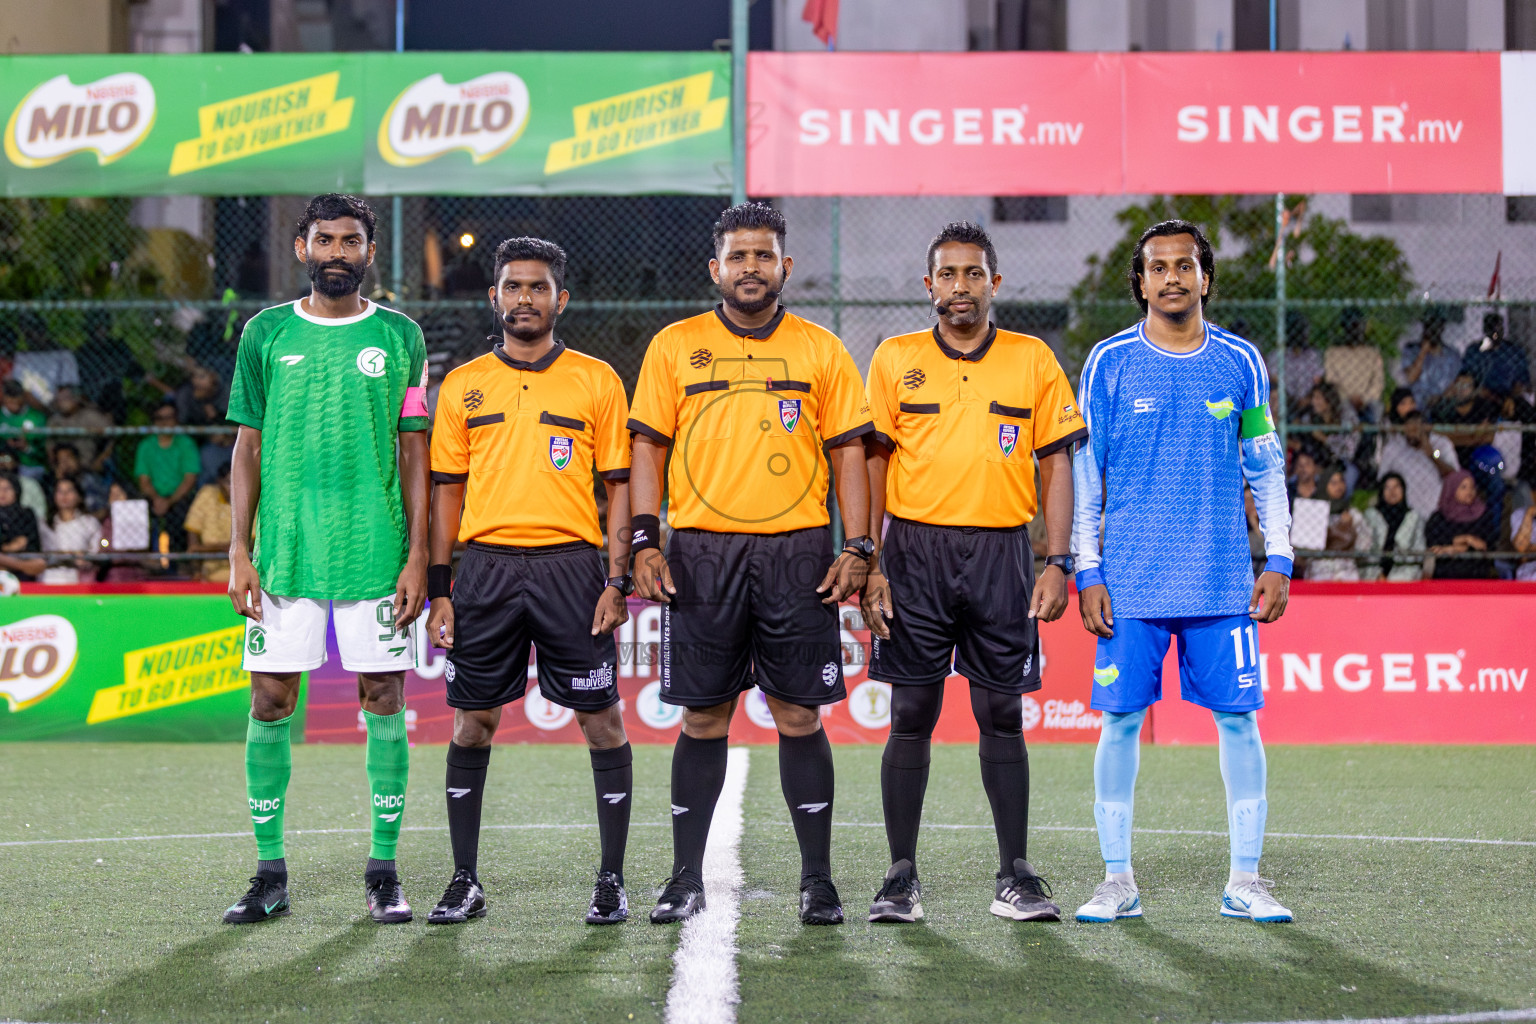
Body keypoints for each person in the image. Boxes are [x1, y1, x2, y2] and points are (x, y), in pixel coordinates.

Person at [627, 202, 872, 926]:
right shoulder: (675, 346)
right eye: (739, 257)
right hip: (701, 553)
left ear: (785, 267)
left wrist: (857, 546)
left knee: (799, 714)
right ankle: (682, 877)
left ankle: (818, 880)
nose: (751, 268)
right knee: (704, 717)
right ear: (716, 268)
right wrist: (645, 539)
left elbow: (849, 453)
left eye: (764, 256)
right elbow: (647, 448)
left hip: (799, 552)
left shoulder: (821, 349)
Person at [1071, 219, 1295, 925]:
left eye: (1185, 265)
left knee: (1240, 722)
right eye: (1157, 267)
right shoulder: (1109, 363)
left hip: (1221, 580)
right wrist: (1087, 568)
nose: (1171, 277)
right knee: (1120, 722)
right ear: (1139, 282)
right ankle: (1116, 880)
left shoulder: (1241, 362)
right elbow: (1085, 477)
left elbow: (1266, 467)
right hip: (1130, 583)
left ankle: (1246, 880)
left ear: (1206, 278)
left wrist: (1281, 556)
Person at [857, 223, 1081, 925]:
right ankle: (900, 877)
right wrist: (868, 558)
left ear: (995, 282)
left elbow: (1056, 465)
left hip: (1002, 556)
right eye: (948, 275)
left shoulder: (1032, 359)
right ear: (929, 287)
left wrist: (1058, 560)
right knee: (912, 711)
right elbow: (871, 464)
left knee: (1002, 712)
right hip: (913, 556)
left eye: (973, 274)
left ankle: (1015, 873)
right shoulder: (893, 359)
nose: (961, 286)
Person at [222, 194, 430, 926]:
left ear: (371, 252)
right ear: (303, 249)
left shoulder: (402, 336)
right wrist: (239, 548)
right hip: (283, 552)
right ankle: (269, 872)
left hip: (376, 551)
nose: (337, 251)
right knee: (270, 701)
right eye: (324, 239)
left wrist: (419, 557)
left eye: (351, 240)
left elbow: (415, 450)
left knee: (384, 699)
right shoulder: (267, 332)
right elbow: (246, 445)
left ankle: (383, 870)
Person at [423, 237, 636, 927]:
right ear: (494, 296)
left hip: (572, 571)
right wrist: (440, 589)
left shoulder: (597, 380)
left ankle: (611, 880)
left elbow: (619, 488)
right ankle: (464, 879)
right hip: (483, 570)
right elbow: (445, 495)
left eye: (537, 287)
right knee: (473, 722)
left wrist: (617, 579)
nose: (524, 298)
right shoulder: (461, 385)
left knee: (601, 723)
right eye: (512, 286)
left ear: (559, 299)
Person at [134, 402, 200, 554]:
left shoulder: (186, 444)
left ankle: (181, 560)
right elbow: (144, 481)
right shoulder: (146, 446)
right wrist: (157, 499)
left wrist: (169, 502)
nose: (164, 422)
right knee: (138, 508)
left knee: (182, 514)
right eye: (159, 418)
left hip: (179, 497)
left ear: (176, 420)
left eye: (169, 417)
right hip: (153, 497)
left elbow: (189, 480)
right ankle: (145, 559)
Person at [1376, 411, 1458, 520]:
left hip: (1436, 508)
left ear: (1425, 428)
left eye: (1416, 429)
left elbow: (1454, 477)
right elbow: (1382, 480)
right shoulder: (1394, 448)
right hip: (1404, 511)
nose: (1412, 434)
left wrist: (1432, 456)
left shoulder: (1440, 445)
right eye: (1409, 429)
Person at [1425, 470, 1498, 579]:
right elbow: (1434, 546)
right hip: (1445, 572)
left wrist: (1450, 548)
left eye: (1472, 487)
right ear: (1452, 489)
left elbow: (1485, 545)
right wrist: (1467, 539)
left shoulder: (1483, 514)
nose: (1469, 491)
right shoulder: (1439, 517)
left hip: (1476, 570)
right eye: (1464, 487)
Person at [1304, 466, 1368, 582]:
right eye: (1333, 483)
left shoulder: (1353, 514)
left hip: (1347, 573)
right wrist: (1341, 530)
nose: (1338, 486)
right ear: (1324, 485)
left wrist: (1351, 530)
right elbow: (1306, 550)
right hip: (1319, 573)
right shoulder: (1313, 512)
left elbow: (1364, 547)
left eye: (1341, 481)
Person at [1362, 473, 1426, 582]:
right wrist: (1377, 574)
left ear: (1404, 490)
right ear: (1381, 491)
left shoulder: (1413, 517)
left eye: (1396, 487)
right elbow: (1365, 549)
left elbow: (1419, 550)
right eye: (1387, 488)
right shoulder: (1371, 515)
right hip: (1373, 567)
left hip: (1405, 569)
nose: (1392, 492)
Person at [1323, 306, 1384, 419]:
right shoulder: (1333, 352)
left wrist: (1364, 399)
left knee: (1374, 413)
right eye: (1352, 326)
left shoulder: (1372, 353)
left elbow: (1378, 382)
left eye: (1359, 326)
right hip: (1342, 401)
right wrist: (1348, 398)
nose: (1356, 330)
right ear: (1345, 328)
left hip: (1368, 401)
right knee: (1346, 414)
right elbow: (1331, 381)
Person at [39, 477, 101, 585]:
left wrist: (86, 557)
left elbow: (101, 545)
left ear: (79, 497)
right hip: (49, 577)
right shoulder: (44, 524)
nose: (64, 495)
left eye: (69, 491)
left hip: (79, 577)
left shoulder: (89, 522)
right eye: (60, 491)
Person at [1432, 373, 1500, 466]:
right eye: (1458, 384)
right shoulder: (1443, 408)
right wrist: (1474, 437)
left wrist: (1458, 436)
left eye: (1466, 385)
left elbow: (1488, 437)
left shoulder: (1483, 406)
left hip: (1479, 455)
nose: (1462, 389)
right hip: (1450, 455)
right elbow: (1443, 438)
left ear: (1473, 389)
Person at [1400, 308, 1461, 411]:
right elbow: (1410, 378)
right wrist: (1423, 351)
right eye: (1429, 326)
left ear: (1442, 328)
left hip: (1443, 406)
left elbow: (1457, 384)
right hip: (1417, 407)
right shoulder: (1412, 350)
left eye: (1437, 326)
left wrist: (1440, 398)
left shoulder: (1452, 355)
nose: (1433, 330)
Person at [1461, 312, 1530, 400]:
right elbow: (1465, 377)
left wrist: (1511, 398)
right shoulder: (1474, 351)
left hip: (1509, 397)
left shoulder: (1514, 351)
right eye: (1491, 329)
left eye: (1498, 329)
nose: (1495, 334)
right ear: (1485, 330)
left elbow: (1522, 382)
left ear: (1503, 329)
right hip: (1481, 398)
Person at [46, 385, 113, 473]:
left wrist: (101, 458)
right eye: (59, 398)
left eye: (66, 397)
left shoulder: (90, 416)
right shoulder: (54, 421)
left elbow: (113, 436)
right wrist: (55, 467)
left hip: (87, 467)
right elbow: (49, 446)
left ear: (75, 398)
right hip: (63, 469)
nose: (62, 401)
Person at [183, 464, 232, 583]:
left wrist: (207, 549)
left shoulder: (250, 497)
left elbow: (253, 543)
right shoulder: (207, 494)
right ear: (219, 482)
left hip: (241, 572)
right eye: (228, 483)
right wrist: (196, 571)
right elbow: (193, 535)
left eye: (237, 483)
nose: (233, 488)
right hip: (210, 572)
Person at [0, 472, 45, 581]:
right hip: (20, 566)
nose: (2, 493)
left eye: (7, 488)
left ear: (16, 490)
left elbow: (33, 545)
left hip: (24, 568)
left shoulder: (27, 514)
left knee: (39, 563)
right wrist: (9, 547)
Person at [0, 380, 45, 479]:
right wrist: (6, 446)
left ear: (23, 396)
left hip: (30, 465)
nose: (13, 401)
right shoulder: (1, 416)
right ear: (4, 397)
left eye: (16, 397)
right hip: (4, 460)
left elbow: (44, 452)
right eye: (10, 398)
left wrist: (27, 448)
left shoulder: (37, 417)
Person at [173, 363, 230, 428]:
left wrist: (215, 416)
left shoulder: (223, 390)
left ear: (213, 377)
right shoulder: (185, 392)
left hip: (220, 427)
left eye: (201, 377)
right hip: (192, 429)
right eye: (194, 377)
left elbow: (228, 415)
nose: (197, 381)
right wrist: (198, 401)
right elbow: (183, 418)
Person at [1511, 502, 1536, 581]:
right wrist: (1529, 513)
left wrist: (1531, 549)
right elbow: (1521, 547)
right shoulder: (1520, 514)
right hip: (1529, 574)